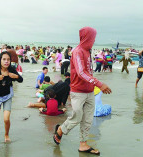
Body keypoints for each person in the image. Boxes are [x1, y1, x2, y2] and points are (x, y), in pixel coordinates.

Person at [53, 27, 111, 155]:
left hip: (89, 91)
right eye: (93, 38)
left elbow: (89, 71)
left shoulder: (88, 51)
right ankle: (60, 130)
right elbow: (80, 72)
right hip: (78, 91)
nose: (94, 40)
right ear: (86, 37)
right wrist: (99, 84)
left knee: (88, 119)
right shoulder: (78, 51)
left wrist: (95, 86)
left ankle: (83, 144)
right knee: (77, 117)